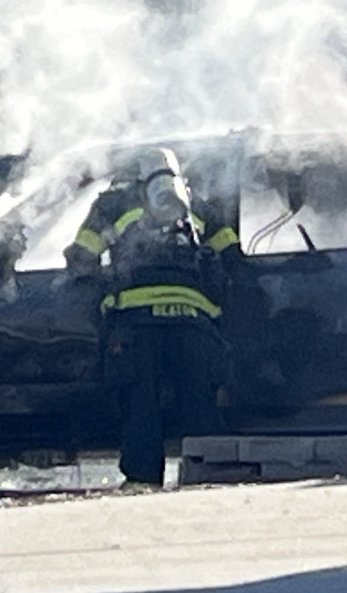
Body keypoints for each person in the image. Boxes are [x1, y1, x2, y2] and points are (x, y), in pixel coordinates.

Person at [65, 147, 227, 485]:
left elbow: (81, 257)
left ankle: (142, 483)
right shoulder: (197, 205)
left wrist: (102, 289)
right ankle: (208, 478)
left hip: (136, 326)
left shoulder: (114, 204)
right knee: (199, 406)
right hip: (193, 325)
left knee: (141, 408)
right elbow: (231, 258)